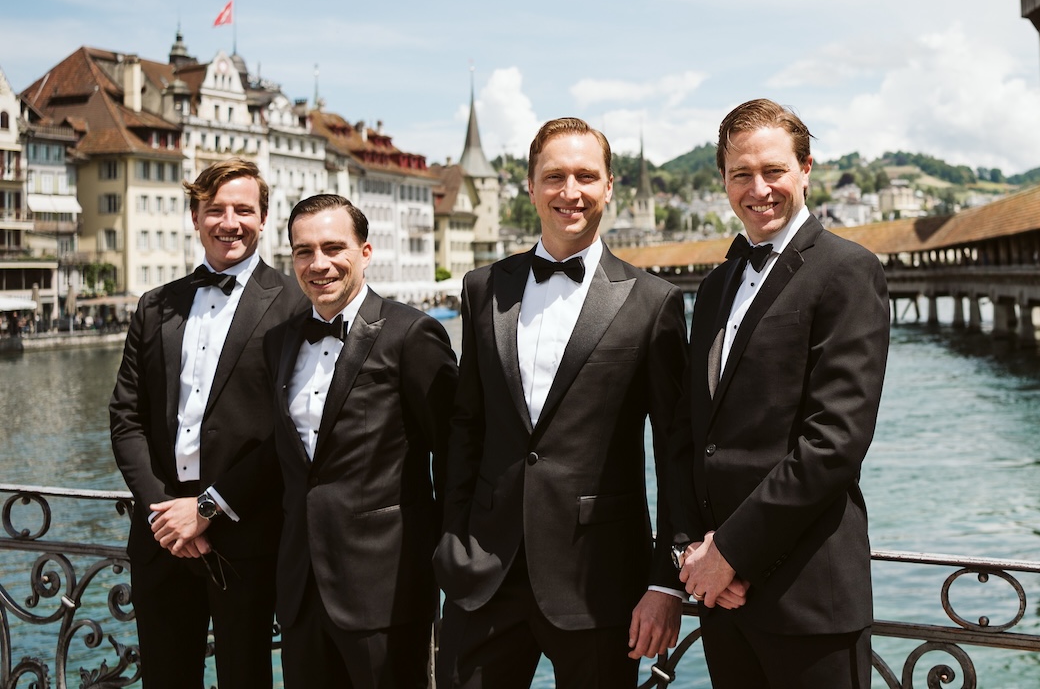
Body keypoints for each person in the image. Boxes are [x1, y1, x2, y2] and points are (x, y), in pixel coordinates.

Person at [433, 118, 687, 689]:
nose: (570, 192)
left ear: (609, 186)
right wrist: (452, 540)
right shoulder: (482, 287)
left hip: (600, 579)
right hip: (484, 575)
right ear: (530, 186)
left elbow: (676, 451)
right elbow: (466, 425)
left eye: (585, 176)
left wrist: (665, 581)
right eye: (554, 176)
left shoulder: (654, 303)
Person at [671, 99, 890, 689]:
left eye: (774, 170)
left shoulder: (847, 271)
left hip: (808, 598)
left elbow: (835, 443)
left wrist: (730, 553)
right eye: (741, 174)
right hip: (722, 600)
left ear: (806, 169)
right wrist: (690, 552)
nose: (758, 189)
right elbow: (694, 435)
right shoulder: (714, 287)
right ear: (723, 180)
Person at [216, 194, 457, 689]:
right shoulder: (279, 341)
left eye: (333, 248)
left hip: (387, 590)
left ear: (365, 252)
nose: (318, 264)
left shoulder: (412, 334)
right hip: (301, 590)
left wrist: (455, 562)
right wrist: (209, 503)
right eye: (304, 251)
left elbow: (456, 455)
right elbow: (286, 455)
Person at [109, 159, 308, 689]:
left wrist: (206, 508)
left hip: (246, 534)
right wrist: (164, 513)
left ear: (264, 218)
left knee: (246, 678)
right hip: (161, 537)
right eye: (215, 210)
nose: (229, 222)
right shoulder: (155, 305)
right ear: (195, 218)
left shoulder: (296, 305)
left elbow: (294, 428)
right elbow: (125, 417)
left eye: (243, 209)